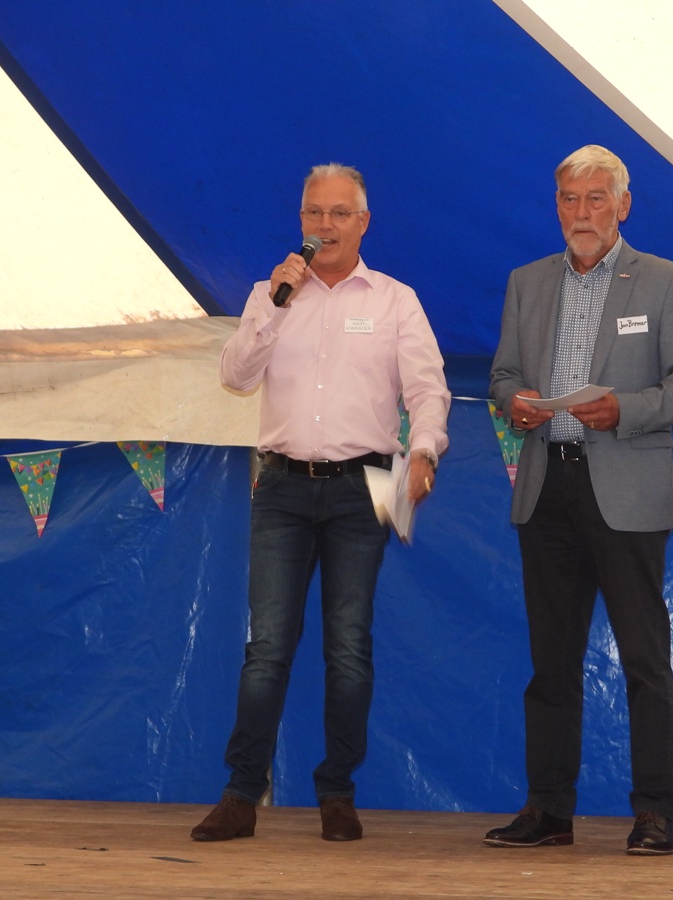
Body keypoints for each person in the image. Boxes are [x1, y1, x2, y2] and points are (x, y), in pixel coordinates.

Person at [192, 163, 450, 843]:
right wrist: (276, 305)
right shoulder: (269, 293)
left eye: (339, 213)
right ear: (300, 220)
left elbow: (427, 389)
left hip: (365, 487)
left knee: (349, 647)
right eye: (314, 213)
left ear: (363, 222)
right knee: (267, 647)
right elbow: (235, 376)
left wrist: (424, 450)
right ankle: (241, 793)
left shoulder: (395, 301)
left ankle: (337, 791)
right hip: (280, 486)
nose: (324, 225)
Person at [486, 145, 673, 856]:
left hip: (626, 489)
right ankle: (548, 811)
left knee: (644, 659)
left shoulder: (664, 280)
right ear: (555, 206)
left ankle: (654, 812)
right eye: (568, 199)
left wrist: (627, 410)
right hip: (546, 485)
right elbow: (501, 376)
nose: (580, 213)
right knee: (550, 665)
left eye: (594, 198)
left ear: (623, 205)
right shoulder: (525, 282)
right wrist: (514, 403)